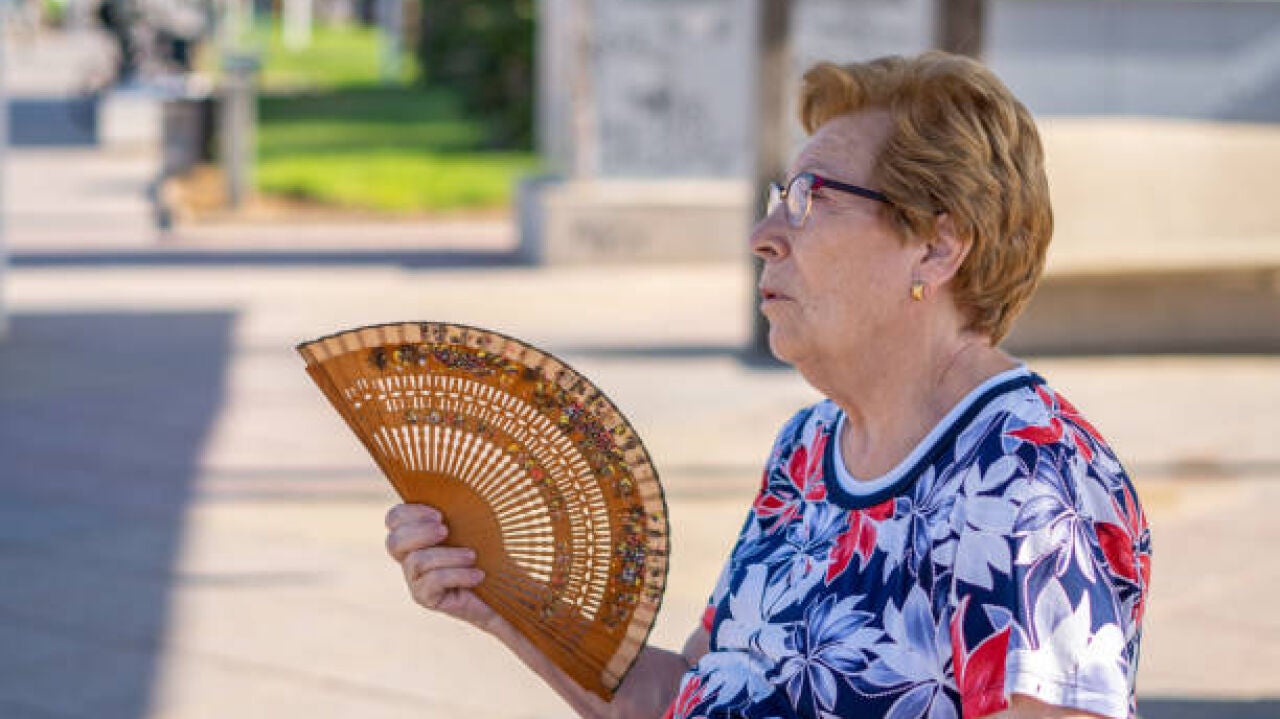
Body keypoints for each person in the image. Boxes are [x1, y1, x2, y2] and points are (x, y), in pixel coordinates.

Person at [384, 51, 1152, 719]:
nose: (764, 236)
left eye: (811, 199)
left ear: (937, 245)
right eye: (780, 198)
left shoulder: (1028, 479)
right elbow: (690, 690)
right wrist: (507, 599)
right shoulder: (810, 449)